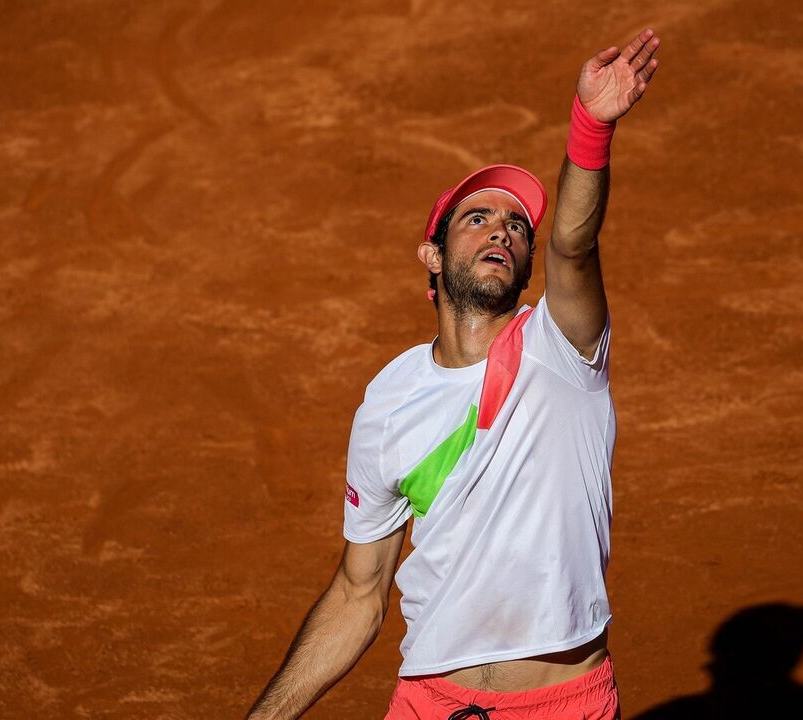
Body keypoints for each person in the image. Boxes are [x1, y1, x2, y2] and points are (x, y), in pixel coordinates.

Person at [246, 28, 661, 720]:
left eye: (515, 227)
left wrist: (590, 128)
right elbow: (358, 593)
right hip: (430, 705)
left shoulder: (564, 349)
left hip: (564, 706)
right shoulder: (389, 400)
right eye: (477, 219)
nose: (502, 230)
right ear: (433, 257)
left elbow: (573, 242)